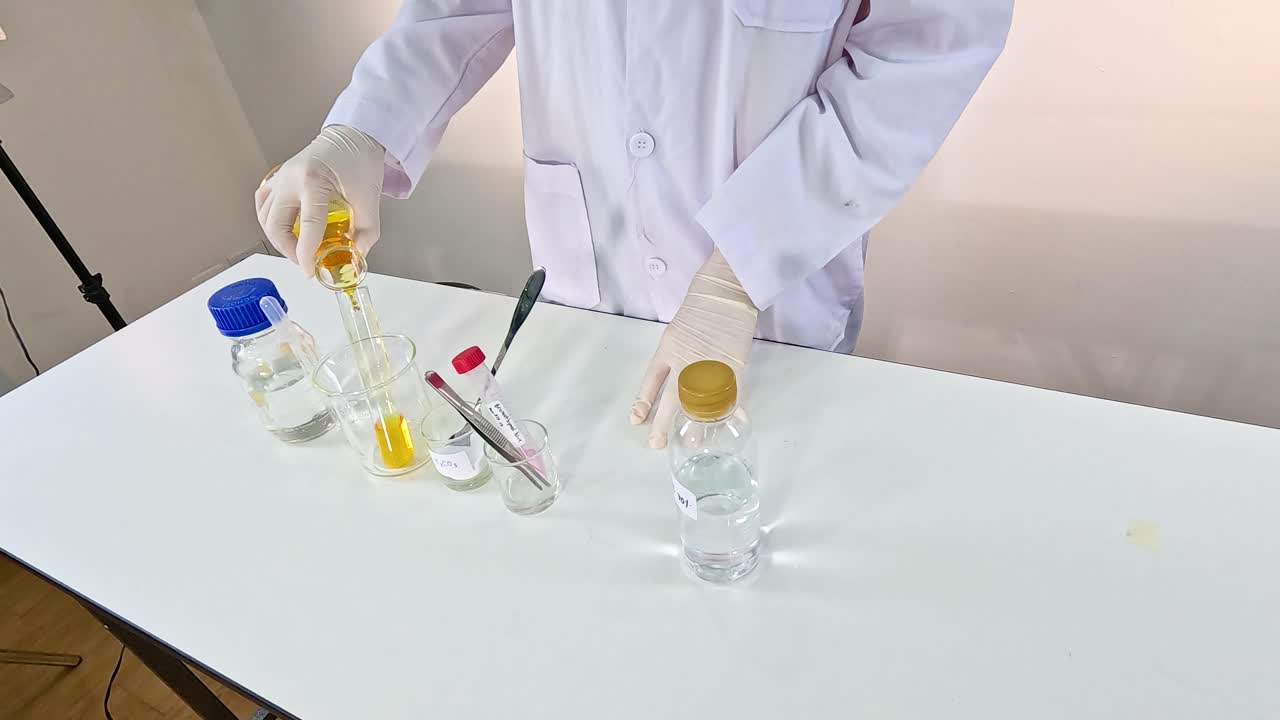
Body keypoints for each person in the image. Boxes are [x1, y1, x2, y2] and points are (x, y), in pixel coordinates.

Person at [256, 0, 1013, 448]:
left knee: (750, 515)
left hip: (775, 308)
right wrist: (364, 130)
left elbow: (923, 51)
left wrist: (740, 268)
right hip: (591, 279)